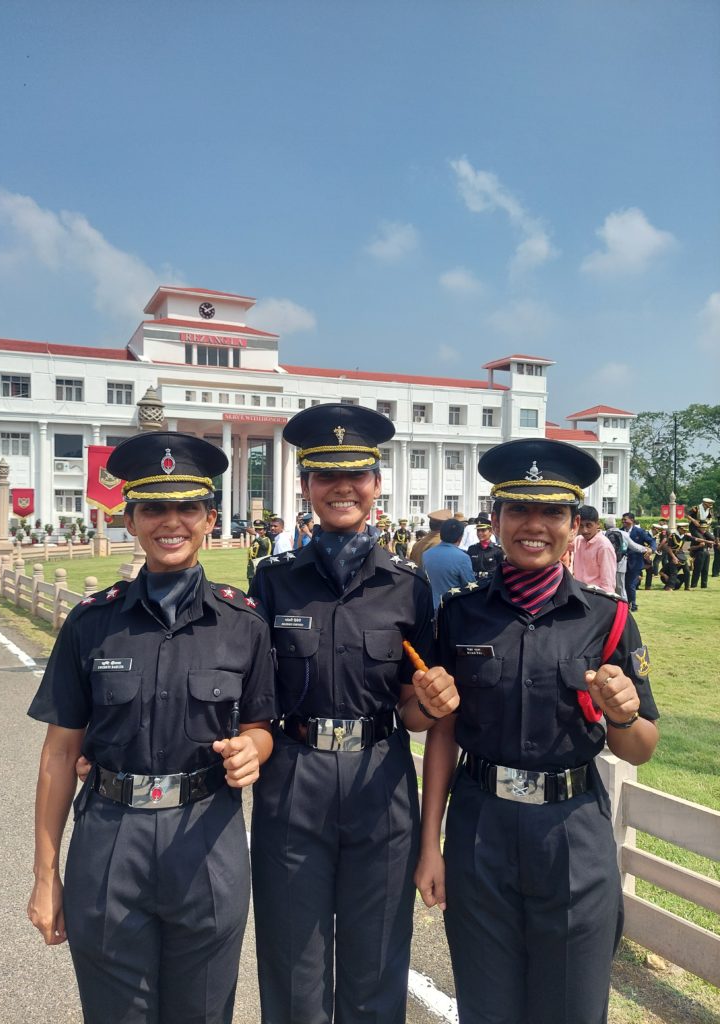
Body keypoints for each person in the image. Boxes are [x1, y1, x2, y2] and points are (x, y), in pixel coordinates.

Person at [27, 432, 277, 1024]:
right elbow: (59, 757)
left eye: (187, 507)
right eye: (153, 508)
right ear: (130, 520)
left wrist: (253, 749)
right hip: (111, 835)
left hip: (207, 834)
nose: (171, 522)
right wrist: (45, 876)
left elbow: (262, 724)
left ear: (210, 518)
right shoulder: (92, 624)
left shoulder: (243, 624)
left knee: (204, 1011)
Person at [415, 438, 659, 1024]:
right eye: (518, 510)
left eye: (552, 512)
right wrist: (431, 844)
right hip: (481, 830)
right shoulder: (460, 613)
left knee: (572, 1008)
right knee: (486, 1006)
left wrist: (623, 714)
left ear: (574, 525)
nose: (534, 525)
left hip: (572, 832)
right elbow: (443, 733)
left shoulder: (609, 617)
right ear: (494, 519)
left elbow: (641, 745)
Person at [248, 403, 460, 1024]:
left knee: (375, 969)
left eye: (357, 474)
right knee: (294, 966)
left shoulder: (409, 586)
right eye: (324, 474)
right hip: (293, 777)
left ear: (376, 482)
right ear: (307, 484)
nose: (342, 486)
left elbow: (415, 711)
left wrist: (426, 702)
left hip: (380, 780)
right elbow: (247, 687)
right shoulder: (272, 581)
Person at [423, 517, 476, 610]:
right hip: (453, 609)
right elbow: (470, 586)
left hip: (432, 608)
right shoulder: (463, 557)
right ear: (460, 536)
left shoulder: (426, 554)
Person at [573, 504, 617, 592]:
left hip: (596, 596)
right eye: (581, 526)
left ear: (598, 524)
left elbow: (608, 582)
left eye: (589, 525)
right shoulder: (578, 540)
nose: (584, 530)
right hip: (579, 592)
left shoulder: (604, 546)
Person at [621, 512, 655, 610]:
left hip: (635, 562)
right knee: (623, 583)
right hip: (622, 562)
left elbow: (651, 541)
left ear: (632, 520)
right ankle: (625, 604)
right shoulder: (620, 531)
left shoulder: (639, 531)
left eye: (625, 519)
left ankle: (633, 604)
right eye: (622, 520)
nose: (623, 521)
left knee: (631, 584)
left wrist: (651, 549)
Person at [247, 518, 273, 582]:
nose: (257, 531)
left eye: (260, 529)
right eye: (256, 529)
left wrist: (256, 535)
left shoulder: (266, 540)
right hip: (252, 571)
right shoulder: (256, 540)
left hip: (260, 570)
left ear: (265, 531)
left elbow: (264, 545)